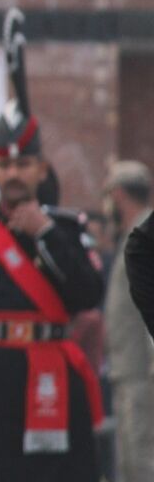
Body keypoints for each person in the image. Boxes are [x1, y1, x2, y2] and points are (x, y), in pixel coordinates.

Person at [0, 9, 104, 481]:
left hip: (54, 378)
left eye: (23, 165)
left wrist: (44, 232)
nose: (13, 174)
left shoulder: (67, 230)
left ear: (41, 170)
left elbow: (88, 294)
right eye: (4, 166)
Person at [100, 160, 154, 482]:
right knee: (131, 462)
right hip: (128, 371)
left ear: (118, 195)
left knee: (143, 460)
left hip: (142, 372)